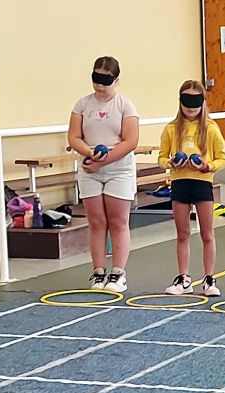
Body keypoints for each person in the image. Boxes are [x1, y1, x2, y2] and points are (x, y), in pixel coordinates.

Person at [69, 57, 139, 293]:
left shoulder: (125, 106)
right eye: (96, 78)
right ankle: (98, 271)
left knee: (118, 221)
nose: (100, 85)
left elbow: (130, 141)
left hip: (119, 169)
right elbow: (74, 137)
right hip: (90, 168)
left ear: (116, 80)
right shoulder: (82, 105)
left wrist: (105, 161)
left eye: (105, 80)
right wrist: (90, 154)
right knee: (97, 222)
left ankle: (118, 272)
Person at [158, 81, 225, 297]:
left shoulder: (211, 129)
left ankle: (209, 278)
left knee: (207, 233)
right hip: (180, 183)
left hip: (202, 183)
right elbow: (162, 157)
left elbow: (223, 159)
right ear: (180, 101)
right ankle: (184, 278)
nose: (191, 107)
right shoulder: (171, 129)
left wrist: (208, 166)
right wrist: (171, 163)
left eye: (195, 101)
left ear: (203, 102)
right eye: (186, 101)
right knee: (183, 233)